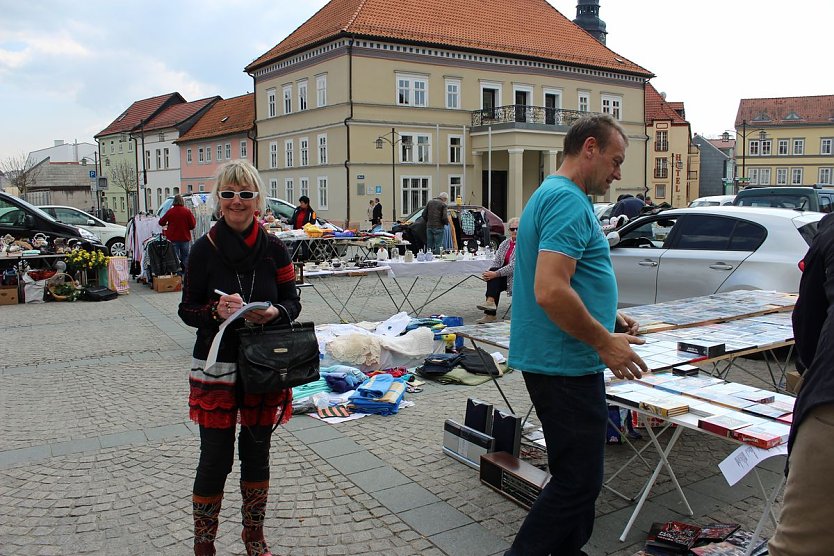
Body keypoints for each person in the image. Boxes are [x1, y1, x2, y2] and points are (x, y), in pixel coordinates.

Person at [506, 113, 648, 556]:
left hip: (558, 355)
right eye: (615, 160)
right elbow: (550, 289)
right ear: (590, 148)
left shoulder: (554, 193)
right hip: (564, 361)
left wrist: (609, 318)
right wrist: (604, 342)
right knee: (579, 481)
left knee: (574, 474)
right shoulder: (567, 200)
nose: (618, 173)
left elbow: (569, 280)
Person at [178, 160, 301, 556]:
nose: (237, 201)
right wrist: (216, 312)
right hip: (216, 366)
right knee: (214, 457)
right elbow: (186, 309)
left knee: (256, 452)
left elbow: (292, 302)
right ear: (218, 199)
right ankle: (204, 544)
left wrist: (274, 313)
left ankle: (254, 537)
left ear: (258, 200)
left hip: (262, 364)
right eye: (229, 194)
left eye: (245, 194)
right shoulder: (203, 250)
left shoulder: (275, 249)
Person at [769, 212, 834, 555]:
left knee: (802, 545)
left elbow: (807, 324)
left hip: (830, 402)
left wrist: (807, 369)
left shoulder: (828, 234)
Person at [476, 216, 519, 324]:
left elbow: (514, 266)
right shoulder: (504, 243)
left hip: (518, 276)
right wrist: (490, 273)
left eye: (517, 229)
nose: (515, 231)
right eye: (512, 229)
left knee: (494, 275)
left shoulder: (523, 244)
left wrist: (495, 273)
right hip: (504, 275)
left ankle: (490, 307)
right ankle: (490, 310)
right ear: (509, 230)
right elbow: (496, 261)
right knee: (492, 273)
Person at [159, 194, 197, 274]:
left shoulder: (170, 212)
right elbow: (193, 225)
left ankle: (177, 274)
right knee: (185, 257)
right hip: (185, 238)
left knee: (175, 258)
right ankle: (186, 274)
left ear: (174, 201)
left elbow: (161, 222)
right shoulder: (187, 211)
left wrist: (168, 224)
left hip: (173, 238)